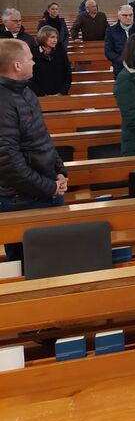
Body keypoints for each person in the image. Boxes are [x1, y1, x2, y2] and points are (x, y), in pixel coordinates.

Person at [0, 39, 68, 261]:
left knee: (57, 260)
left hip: (46, 190)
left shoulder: (25, 91)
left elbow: (42, 137)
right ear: (17, 65)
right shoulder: (3, 101)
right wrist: (50, 187)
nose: (34, 62)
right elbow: (8, 161)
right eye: (30, 58)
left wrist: (59, 171)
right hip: (21, 200)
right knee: (29, 265)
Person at [104, 5, 135, 76]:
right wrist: (123, 61)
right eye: (125, 15)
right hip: (120, 68)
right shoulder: (111, 31)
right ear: (119, 16)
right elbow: (108, 51)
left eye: (130, 15)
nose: (128, 17)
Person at [30, 27, 72, 97]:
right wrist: (43, 95)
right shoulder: (32, 53)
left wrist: (61, 93)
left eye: (56, 37)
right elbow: (30, 78)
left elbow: (67, 74)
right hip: (39, 96)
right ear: (43, 37)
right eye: (52, 37)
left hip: (60, 95)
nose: (55, 40)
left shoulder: (61, 51)